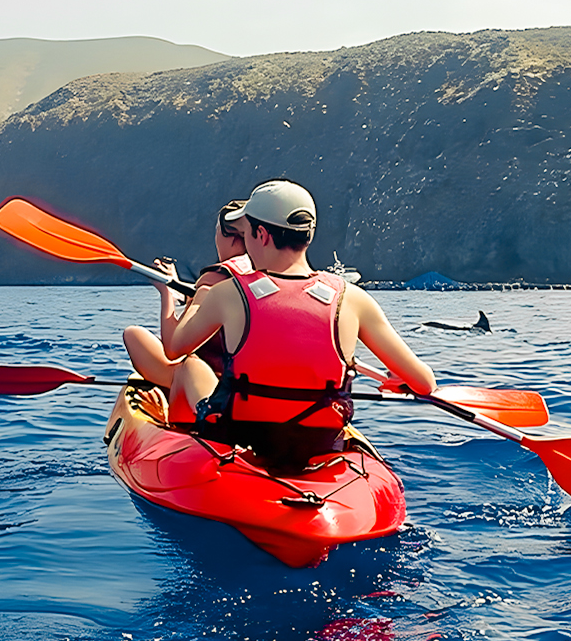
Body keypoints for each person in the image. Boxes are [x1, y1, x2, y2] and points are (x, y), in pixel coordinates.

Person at [164, 179, 435, 473]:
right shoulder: (353, 299)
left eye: (245, 233)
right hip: (318, 443)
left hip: (241, 436)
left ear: (262, 234)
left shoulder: (227, 294)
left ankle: (179, 439)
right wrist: (397, 377)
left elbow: (174, 348)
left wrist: (183, 298)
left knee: (190, 366)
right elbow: (424, 383)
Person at [121, 199, 251, 387]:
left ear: (230, 237)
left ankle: (174, 384)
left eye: (217, 232)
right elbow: (212, 306)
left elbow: (173, 347)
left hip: (205, 381)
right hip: (244, 378)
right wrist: (180, 289)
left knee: (133, 335)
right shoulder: (261, 272)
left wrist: (166, 294)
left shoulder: (216, 278)